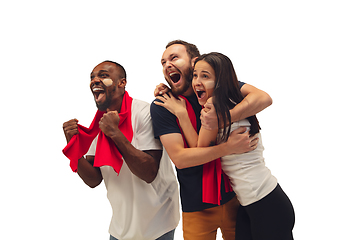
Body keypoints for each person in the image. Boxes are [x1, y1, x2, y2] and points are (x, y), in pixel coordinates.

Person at [156, 52, 295, 240]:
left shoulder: (213, 106)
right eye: (195, 75)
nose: (197, 81)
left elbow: (199, 145)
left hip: (263, 202)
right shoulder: (234, 98)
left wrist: (181, 114)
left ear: (220, 81)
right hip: (253, 202)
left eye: (205, 76)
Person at [62, 61, 180, 240]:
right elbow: (93, 179)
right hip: (120, 228)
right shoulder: (98, 124)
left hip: (158, 222)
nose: (95, 80)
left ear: (121, 83)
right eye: (92, 77)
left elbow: (149, 172)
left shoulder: (145, 112)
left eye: (103, 75)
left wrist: (115, 133)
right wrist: (74, 147)